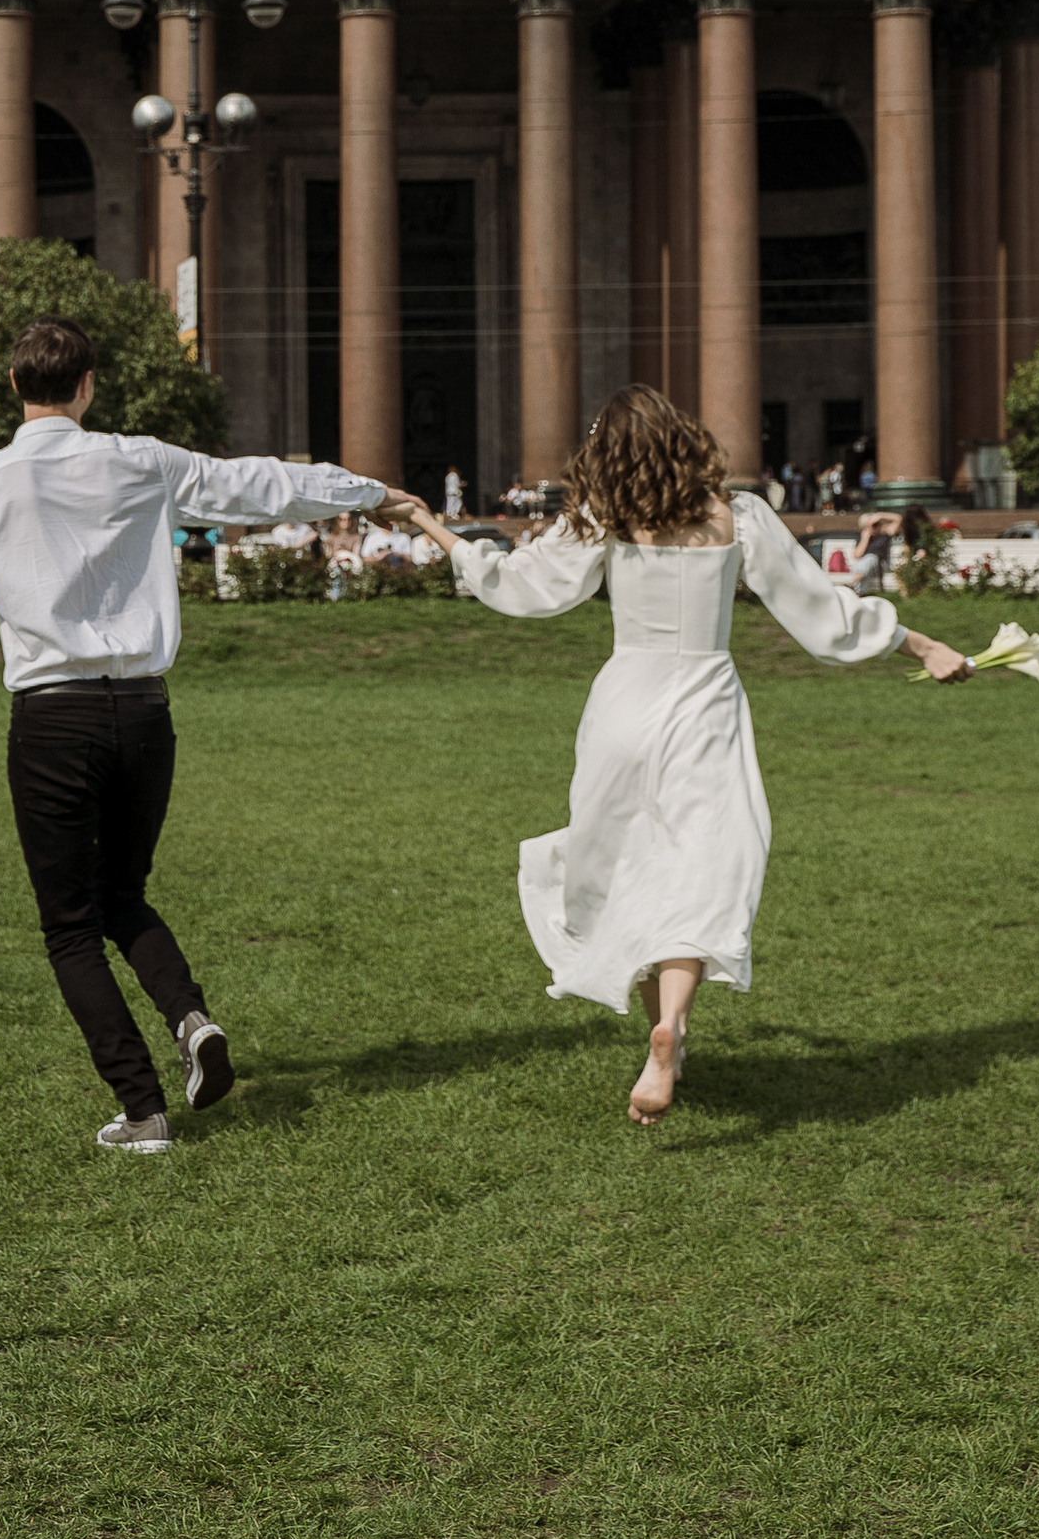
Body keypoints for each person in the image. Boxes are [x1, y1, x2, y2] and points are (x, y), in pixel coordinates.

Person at [0, 315, 401, 1155]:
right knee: (123, 895)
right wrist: (365, 492)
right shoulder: (140, 460)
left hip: (53, 718)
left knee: (70, 926)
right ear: (88, 384)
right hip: (144, 710)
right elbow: (254, 486)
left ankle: (142, 1112)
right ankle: (192, 1021)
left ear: (13, 384)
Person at [392, 387, 969, 1125]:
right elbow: (824, 615)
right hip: (704, 700)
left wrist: (430, 526)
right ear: (683, 438)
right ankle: (674, 1029)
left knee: (629, 862)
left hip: (624, 703)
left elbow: (518, 585)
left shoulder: (602, 519)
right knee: (703, 864)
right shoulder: (738, 516)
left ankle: (664, 1038)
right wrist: (921, 642)